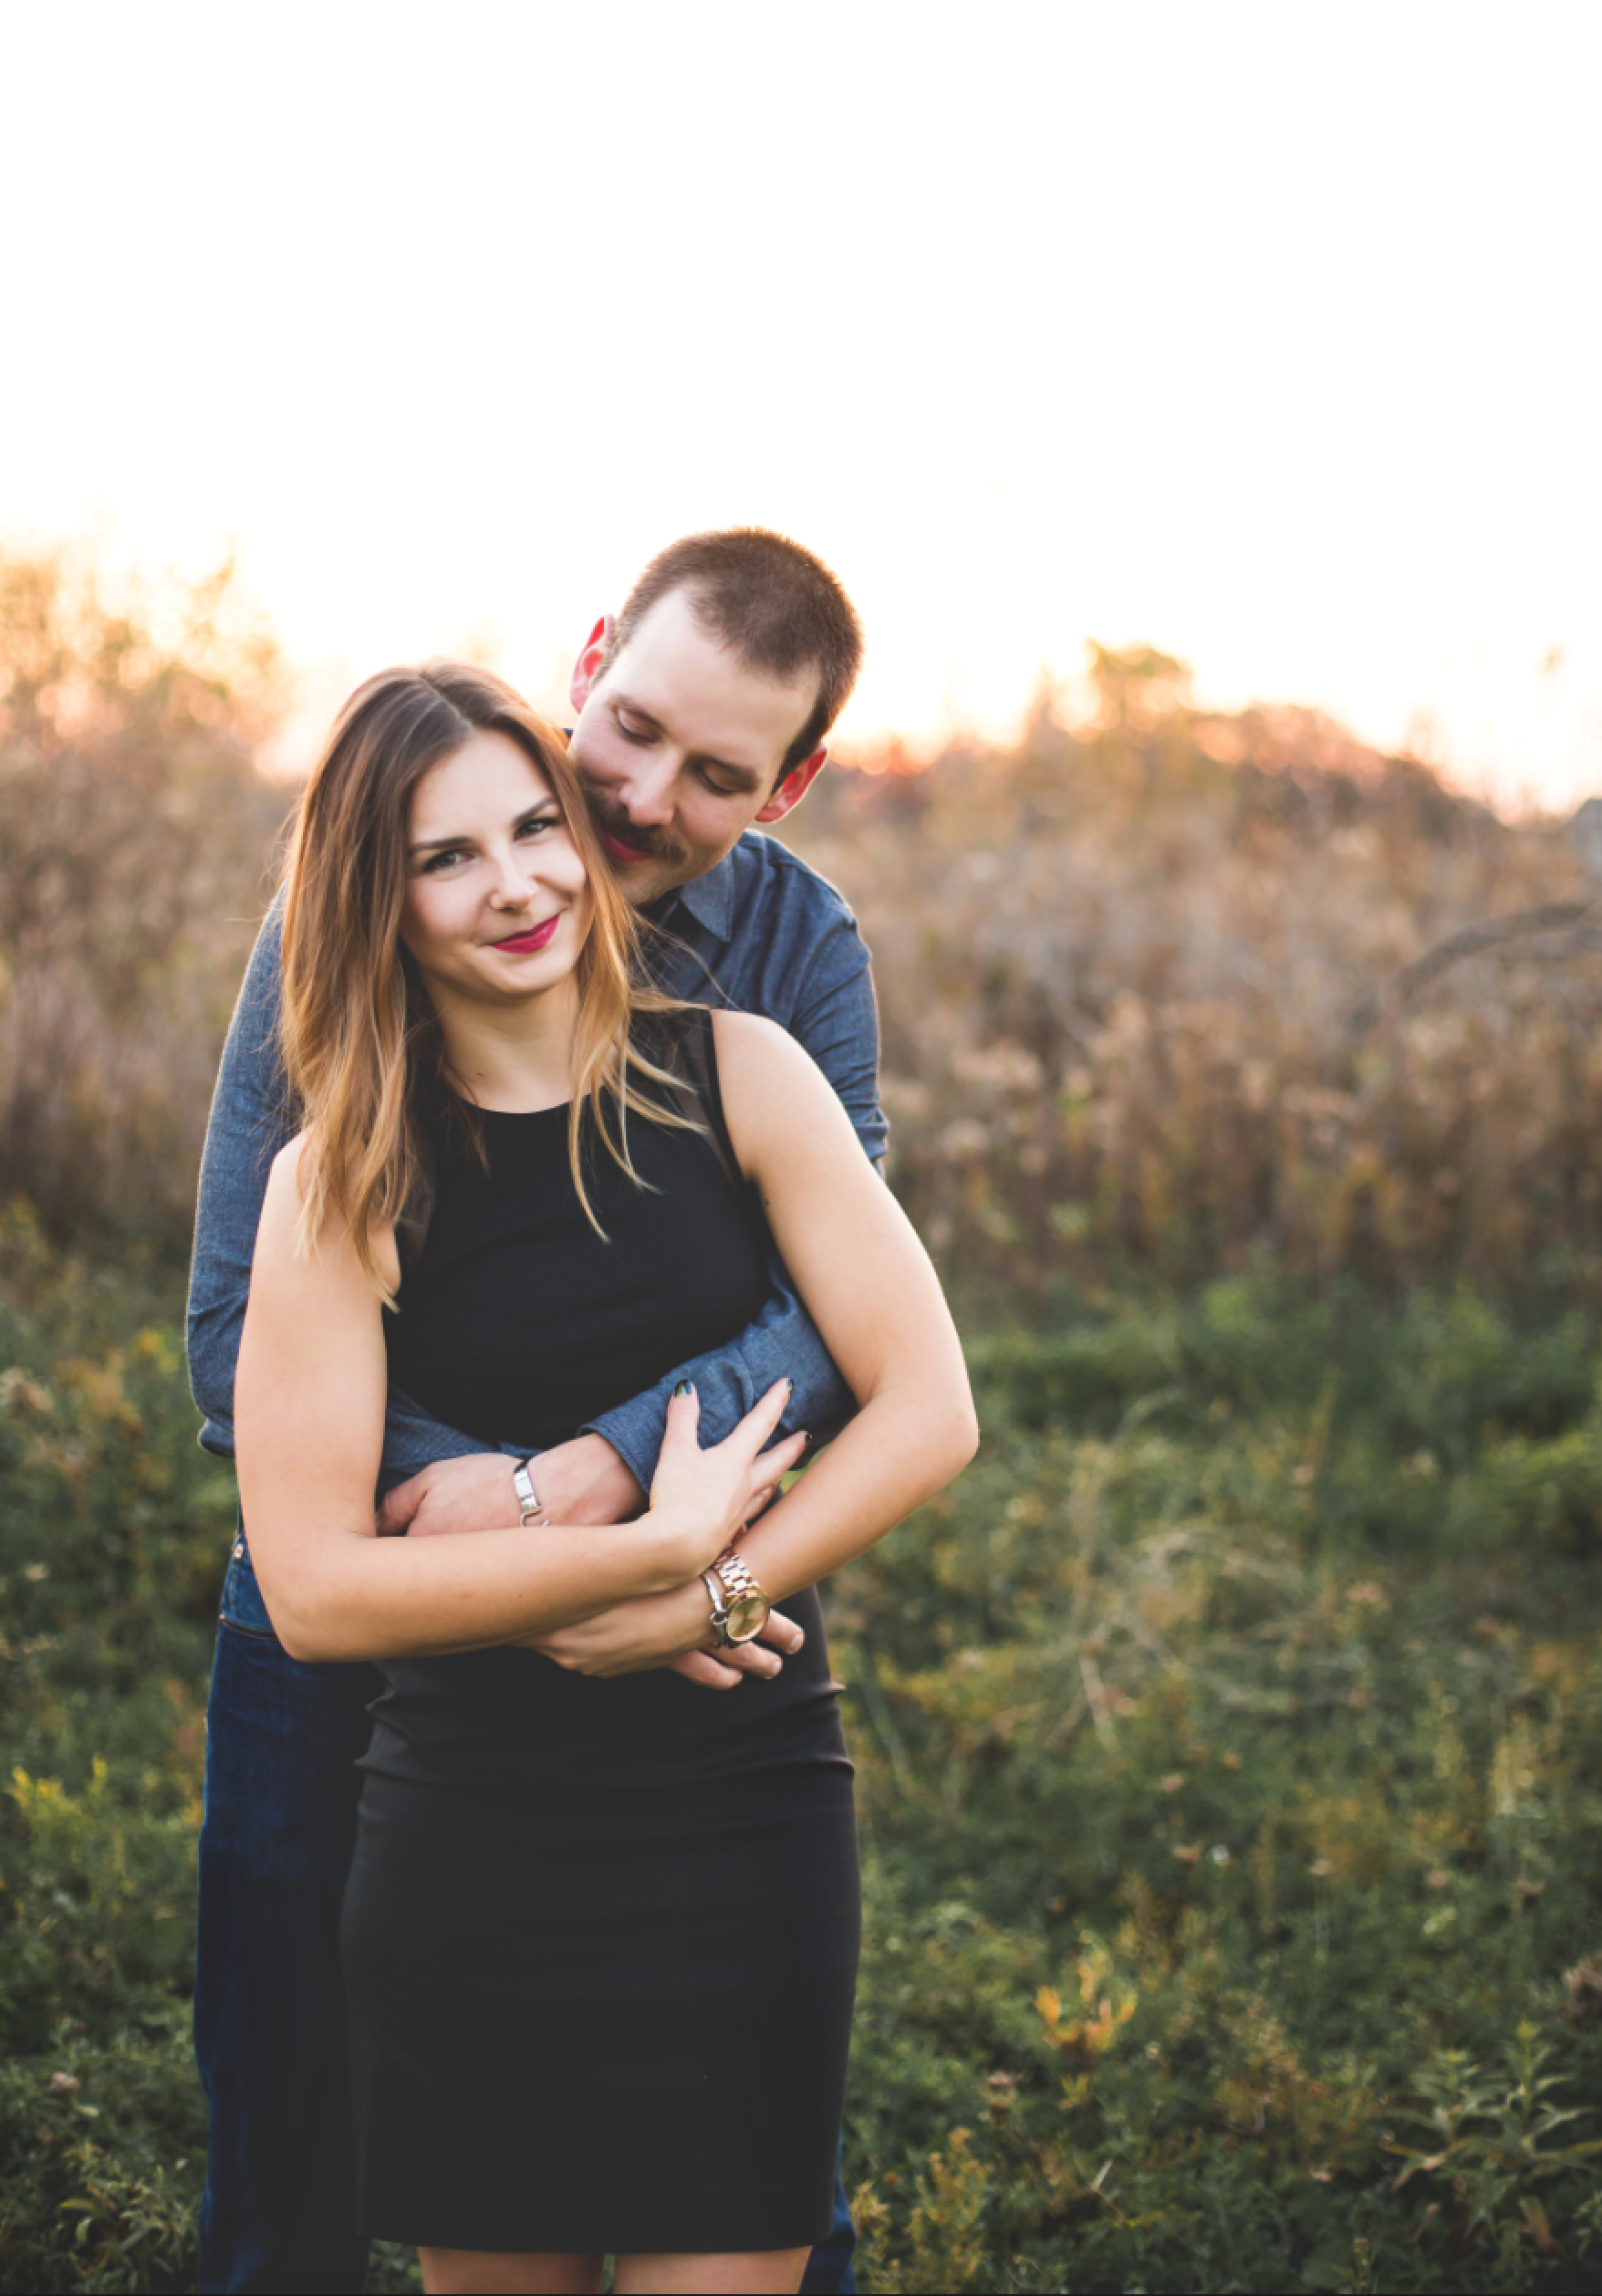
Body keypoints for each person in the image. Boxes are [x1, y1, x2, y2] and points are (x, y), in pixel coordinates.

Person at [187, 532, 898, 2293]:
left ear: (788, 786)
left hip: (694, 1636)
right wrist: (512, 1511)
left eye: (719, 772)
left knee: (754, 2189)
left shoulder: (788, 967)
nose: (640, 798)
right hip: (371, 1613)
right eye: (634, 727)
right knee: (301, 2106)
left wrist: (615, 1501)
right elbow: (234, 1327)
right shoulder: (350, 905)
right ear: (592, 659)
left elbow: (836, 1323)